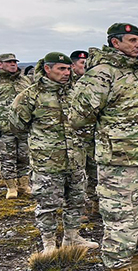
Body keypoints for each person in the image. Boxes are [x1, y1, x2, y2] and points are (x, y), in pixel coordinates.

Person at [68, 22, 138, 271]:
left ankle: (136, 264)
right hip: (118, 163)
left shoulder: (134, 72)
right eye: (132, 40)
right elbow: (78, 117)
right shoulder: (102, 74)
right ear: (115, 42)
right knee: (121, 218)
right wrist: (109, 138)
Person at [9, 52, 98, 253]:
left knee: (75, 200)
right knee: (47, 205)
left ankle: (72, 237)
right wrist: (41, 144)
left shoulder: (76, 93)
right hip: (47, 162)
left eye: (68, 69)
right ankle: (48, 242)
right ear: (47, 69)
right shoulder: (30, 95)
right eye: (61, 69)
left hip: (75, 159)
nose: (66, 73)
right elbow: (17, 126)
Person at [0, 53, 32, 198]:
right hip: (2, 128)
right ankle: (11, 188)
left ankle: (24, 186)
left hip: (23, 128)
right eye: (9, 62)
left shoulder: (24, 80)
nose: (13, 64)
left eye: (14, 62)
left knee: (24, 157)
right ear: (0, 64)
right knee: (6, 158)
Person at [70, 49, 98, 211]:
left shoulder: (95, 83)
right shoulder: (66, 84)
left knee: (95, 172)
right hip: (74, 139)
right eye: (82, 63)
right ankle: (77, 209)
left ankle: (96, 204)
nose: (86, 67)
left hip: (93, 137)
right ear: (73, 66)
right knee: (76, 175)